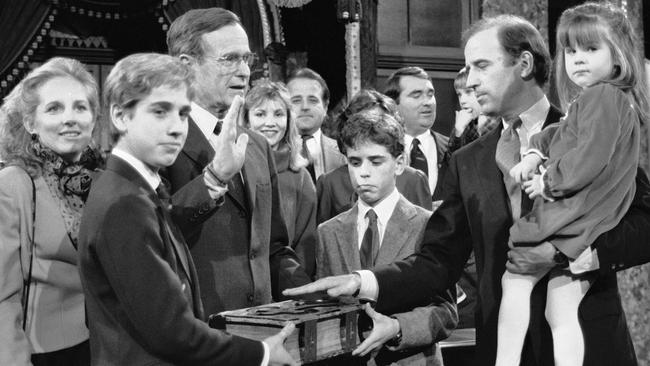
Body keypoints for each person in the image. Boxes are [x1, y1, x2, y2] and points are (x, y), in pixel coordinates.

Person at [284, 14, 650, 366]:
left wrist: (575, 256)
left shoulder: (589, 127)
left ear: (523, 64)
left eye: (481, 66)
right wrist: (363, 281)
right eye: (466, 68)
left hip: (589, 344)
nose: (468, 81)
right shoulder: (468, 161)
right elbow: (438, 260)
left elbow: (645, 223)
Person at [78, 52, 297, 366]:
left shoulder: (133, 188)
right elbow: (169, 329)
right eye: (160, 112)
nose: (176, 128)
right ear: (120, 116)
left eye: (182, 114)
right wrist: (261, 353)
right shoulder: (124, 202)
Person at [497, 4, 649, 365]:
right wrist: (535, 153)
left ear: (618, 54)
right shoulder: (594, 101)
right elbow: (561, 134)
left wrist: (549, 182)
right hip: (579, 216)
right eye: (571, 50)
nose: (578, 59)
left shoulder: (604, 97)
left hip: (578, 217)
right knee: (559, 308)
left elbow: (589, 157)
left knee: (516, 282)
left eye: (591, 49)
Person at [164, 7, 311, 315]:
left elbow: (272, 247)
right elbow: (156, 238)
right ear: (185, 66)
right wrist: (214, 178)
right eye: (229, 59)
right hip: (197, 332)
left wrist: (307, 290)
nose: (244, 72)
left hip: (258, 331)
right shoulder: (162, 142)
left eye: (246, 59)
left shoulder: (256, 145)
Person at [317, 109, 457, 366]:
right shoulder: (329, 231)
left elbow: (446, 313)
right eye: (355, 162)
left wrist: (396, 327)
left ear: (400, 163)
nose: (364, 173)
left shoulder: (428, 225)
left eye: (376, 161)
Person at [0, 57, 103, 366]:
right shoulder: (14, 184)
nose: (69, 118)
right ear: (30, 123)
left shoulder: (102, 181)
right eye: (54, 108)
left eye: (80, 107)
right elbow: (2, 298)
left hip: (103, 350)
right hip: (43, 354)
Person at [316, 89, 432, 224]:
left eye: (380, 125)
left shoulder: (414, 179)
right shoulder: (330, 182)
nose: (370, 132)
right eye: (361, 125)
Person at [243, 80, 318, 279]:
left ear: (289, 120)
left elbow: (305, 245)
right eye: (260, 114)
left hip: (285, 283)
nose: (270, 123)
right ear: (247, 120)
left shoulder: (300, 177)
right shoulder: (234, 171)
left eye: (278, 114)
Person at [383, 67, 449, 199]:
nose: (427, 102)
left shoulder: (454, 148)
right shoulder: (381, 150)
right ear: (394, 104)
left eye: (430, 94)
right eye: (416, 95)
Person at [287, 68, 346, 183]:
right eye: (296, 100)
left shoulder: (344, 153)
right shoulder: (271, 153)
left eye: (313, 100)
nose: (305, 107)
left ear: (325, 106)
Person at [448, 66, 498, 153]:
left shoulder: (500, 122)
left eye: (468, 92)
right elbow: (449, 164)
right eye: (459, 94)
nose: (462, 100)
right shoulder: (462, 124)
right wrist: (458, 132)